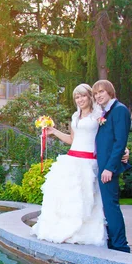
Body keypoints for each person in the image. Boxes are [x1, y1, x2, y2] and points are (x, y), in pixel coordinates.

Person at [32, 84, 108, 246]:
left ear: (90, 96)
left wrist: (125, 150)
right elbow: (73, 140)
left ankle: (82, 232)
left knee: (85, 198)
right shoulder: (75, 116)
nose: (80, 100)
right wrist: (54, 131)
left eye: (83, 96)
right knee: (66, 198)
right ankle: (62, 229)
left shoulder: (99, 115)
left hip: (88, 162)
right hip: (71, 159)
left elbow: (110, 136)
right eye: (77, 97)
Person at [92, 80, 131, 253]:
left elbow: (120, 141)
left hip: (108, 168)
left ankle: (121, 246)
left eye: (101, 92)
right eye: (95, 93)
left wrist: (109, 168)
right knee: (106, 205)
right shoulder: (106, 112)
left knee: (111, 205)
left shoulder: (119, 110)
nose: (98, 96)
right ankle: (113, 241)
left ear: (110, 92)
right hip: (102, 165)